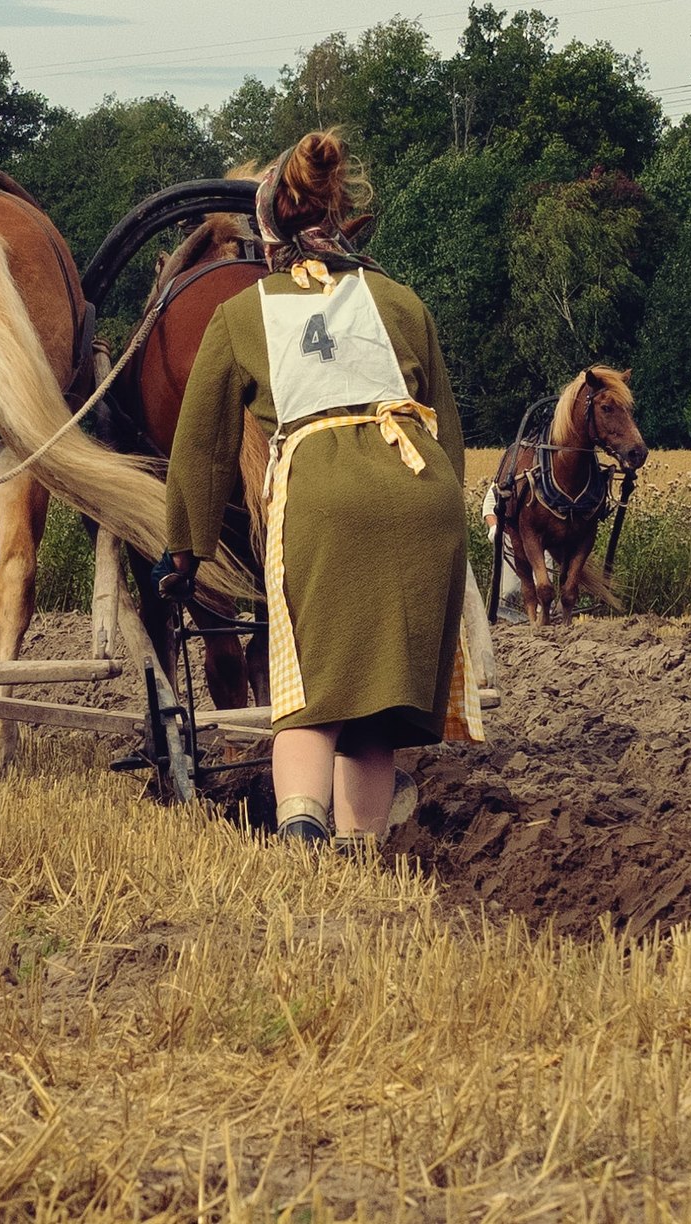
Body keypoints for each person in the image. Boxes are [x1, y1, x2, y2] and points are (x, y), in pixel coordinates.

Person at [161, 129, 488, 850]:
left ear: (269, 231)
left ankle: (302, 832)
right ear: (338, 217)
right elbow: (450, 432)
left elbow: (204, 446)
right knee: (375, 709)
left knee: (310, 697)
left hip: (325, 498)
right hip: (420, 494)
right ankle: (358, 852)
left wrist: (185, 548)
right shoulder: (400, 301)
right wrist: (445, 529)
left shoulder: (243, 314)